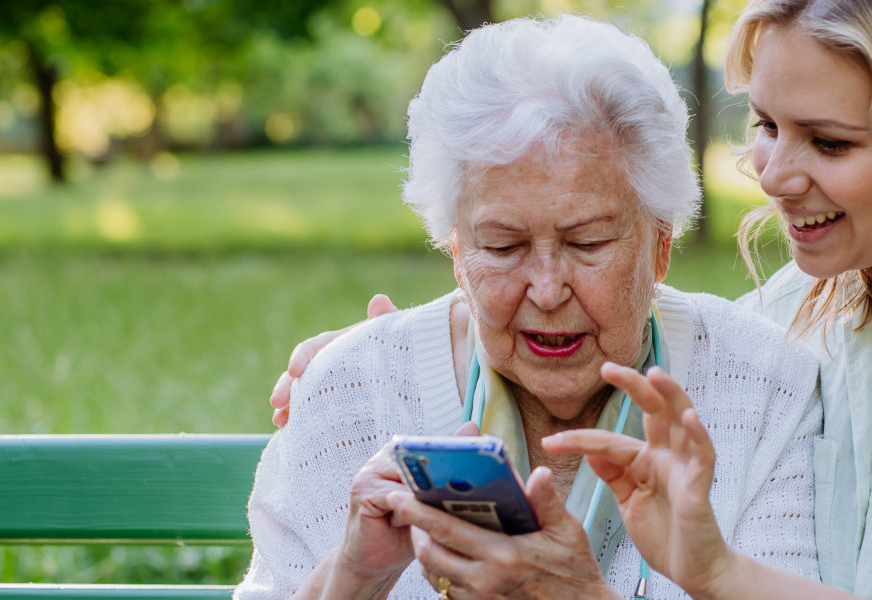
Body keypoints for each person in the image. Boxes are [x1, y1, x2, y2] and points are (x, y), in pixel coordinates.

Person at [276, 0, 872, 597]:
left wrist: (721, 578)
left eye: (829, 144)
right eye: (765, 126)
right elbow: (611, 305)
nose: (774, 174)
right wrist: (398, 351)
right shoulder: (801, 317)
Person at [235, 16, 821, 599]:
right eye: (503, 246)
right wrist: (354, 578)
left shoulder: (763, 386)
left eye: (588, 243)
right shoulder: (350, 391)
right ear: (457, 253)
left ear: (660, 245)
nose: (545, 289)